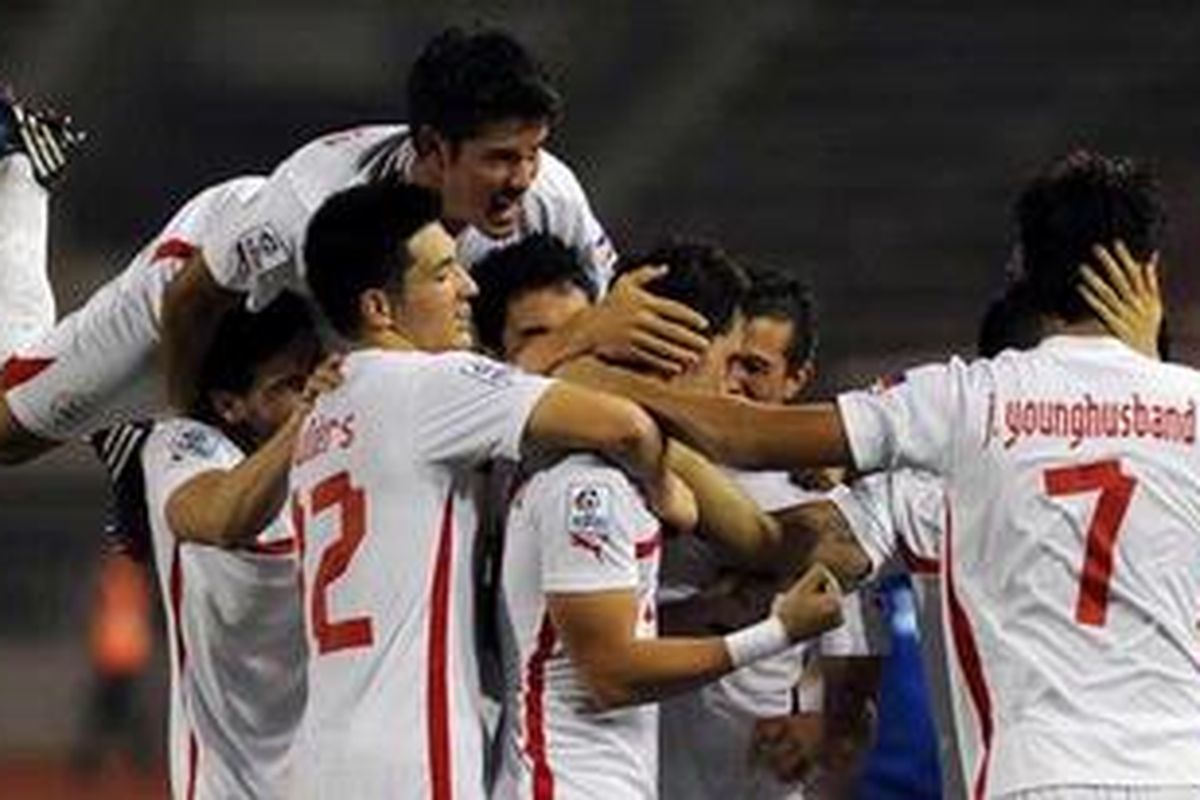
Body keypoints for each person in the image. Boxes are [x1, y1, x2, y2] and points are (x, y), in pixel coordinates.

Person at [566, 150, 1200, 798]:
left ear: (1021, 268)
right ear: (1149, 271)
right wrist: (1153, 374)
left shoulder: (962, 404)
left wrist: (605, 387)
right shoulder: (1190, 409)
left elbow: (752, 449)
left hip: (1038, 775)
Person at [0, 26, 708, 465]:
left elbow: (592, 333)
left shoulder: (553, 197)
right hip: (211, 281)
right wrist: (189, 434)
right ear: (433, 148)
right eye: (499, 159)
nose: (521, 178)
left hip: (332, 344)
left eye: (532, 152)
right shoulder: (307, 206)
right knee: (10, 436)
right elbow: (193, 303)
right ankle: (21, 172)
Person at [288, 180, 697, 798]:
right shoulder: (433, 384)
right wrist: (665, 488)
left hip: (319, 756)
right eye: (443, 273)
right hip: (411, 761)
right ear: (378, 308)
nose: (468, 288)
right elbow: (626, 427)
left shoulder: (321, 414)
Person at [471, 236, 843, 799]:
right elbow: (611, 673)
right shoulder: (589, 482)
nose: (729, 383)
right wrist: (778, 632)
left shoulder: (630, 471)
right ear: (687, 350)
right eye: (728, 357)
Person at [101, 293, 336, 799]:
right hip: (229, 786)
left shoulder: (341, 453)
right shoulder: (184, 446)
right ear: (230, 404)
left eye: (316, 372)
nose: (314, 393)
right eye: (290, 385)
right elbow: (221, 516)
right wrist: (307, 418)